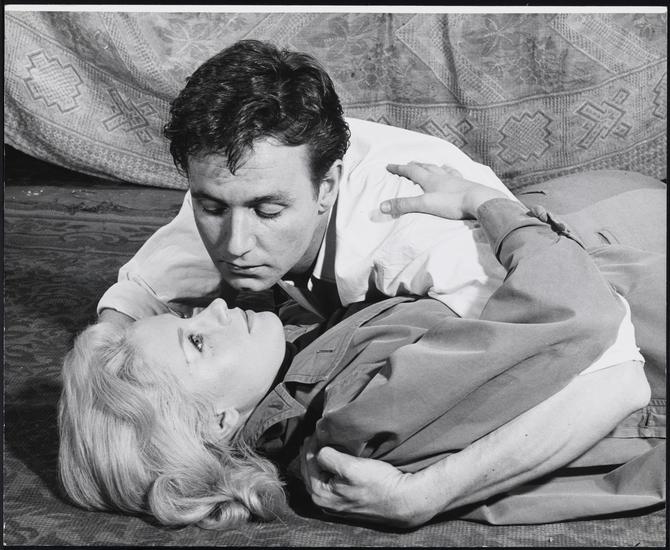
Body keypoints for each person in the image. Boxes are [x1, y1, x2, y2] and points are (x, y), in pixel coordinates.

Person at [92, 40, 665, 525]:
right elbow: (134, 304)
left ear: (327, 187)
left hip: (615, 231)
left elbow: (616, 375)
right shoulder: (237, 175)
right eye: (212, 207)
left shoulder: (408, 226)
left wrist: (427, 494)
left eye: (268, 211)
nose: (235, 244)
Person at [59, 168, 661, 529]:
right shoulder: (354, 418)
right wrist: (485, 204)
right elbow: (581, 315)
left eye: (191, 315)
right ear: (217, 422)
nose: (217, 308)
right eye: (196, 341)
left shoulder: (301, 377)